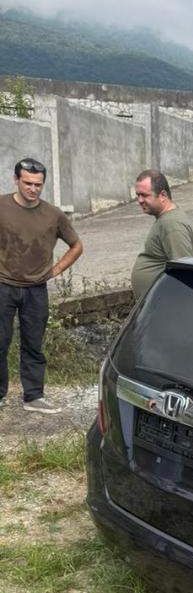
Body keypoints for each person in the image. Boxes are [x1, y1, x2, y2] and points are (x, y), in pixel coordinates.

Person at [0, 157, 84, 413]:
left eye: (38, 184)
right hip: (3, 286)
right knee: (0, 342)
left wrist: (56, 269)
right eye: (27, 183)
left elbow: (76, 246)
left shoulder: (53, 214)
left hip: (36, 289)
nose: (32, 189)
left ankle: (34, 396)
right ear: (16, 180)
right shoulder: (2, 206)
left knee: (33, 344)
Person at [131, 169, 193, 300]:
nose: (139, 200)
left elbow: (186, 274)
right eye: (137, 195)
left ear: (162, 195)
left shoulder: (172, 225)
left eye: (144, 195)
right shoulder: (166, 220)